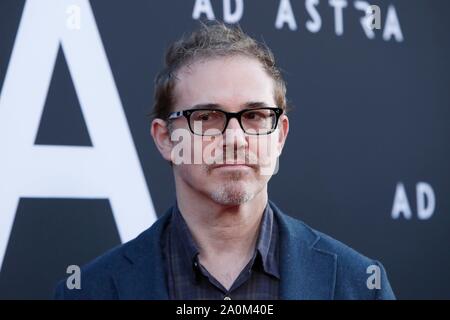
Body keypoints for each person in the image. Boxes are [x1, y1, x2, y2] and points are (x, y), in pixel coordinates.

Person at [55, 21, 395, 300]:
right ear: (165, 139)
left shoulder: (359, 285)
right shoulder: (88, 291)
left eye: (255, 116)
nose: (235, 138)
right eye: (206, 117)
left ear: (279, 136)